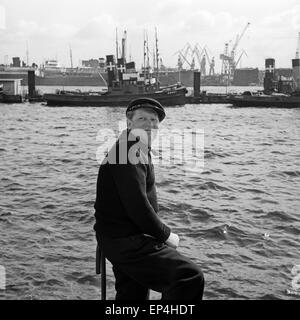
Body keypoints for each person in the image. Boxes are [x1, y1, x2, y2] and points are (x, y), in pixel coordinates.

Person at [94, 97, 204, 300]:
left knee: (132, 296)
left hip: (120, 236)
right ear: (129, 123)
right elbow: (137, 206)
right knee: (188, 277)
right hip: (125, 240)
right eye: (142, 118)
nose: (150, 124)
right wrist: (165, 235)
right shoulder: (128, 151)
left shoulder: (133, 147)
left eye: (154, 120)